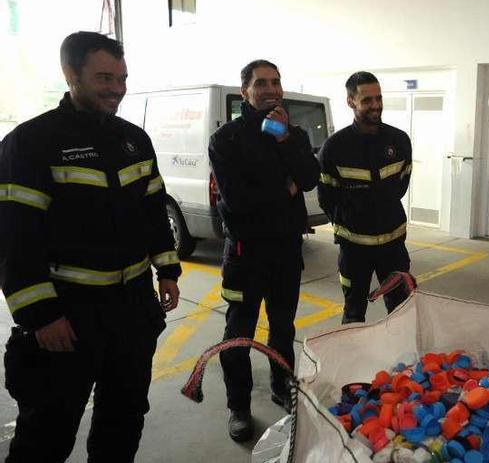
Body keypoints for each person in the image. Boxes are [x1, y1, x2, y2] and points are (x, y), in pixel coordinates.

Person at [0, 31, 181, 462]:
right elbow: (13, 238)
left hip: (132, 311)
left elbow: (153, 211)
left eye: (121, 78)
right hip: (69, 315)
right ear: (70, 74)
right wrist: (42, 315)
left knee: (124, 420)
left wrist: (168, 270)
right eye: (104, 78)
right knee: (46, 434)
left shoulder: (133, 140)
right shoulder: (30, 144)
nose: (116, 89)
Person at [208, 59, 319, 441]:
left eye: (275, 81)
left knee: (283, 328)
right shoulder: (226, 141)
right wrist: (283, 189)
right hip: (244, 254)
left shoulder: (295, 135)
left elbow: (308, 179)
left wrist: (284, 141)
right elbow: (237, 200)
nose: (270, 88)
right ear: (244, 91)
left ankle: (280, 386)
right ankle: (238, 406)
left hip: (286, 252)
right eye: (260, 83)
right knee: (238, 334)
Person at [317, 71, 413, 324]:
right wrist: (349, 221)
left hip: (393, 245)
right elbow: (327, 197)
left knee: (402, 310)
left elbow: (401, 187)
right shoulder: (334, 147)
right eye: (367, 100)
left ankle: (401, 362)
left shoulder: (399, 140)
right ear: (351, 101)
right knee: (353, 312)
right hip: (354, 248)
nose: (375, 105)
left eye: (378, 98)